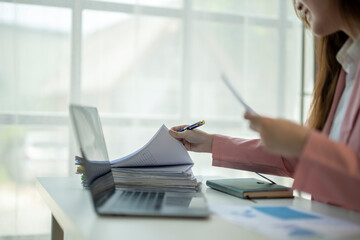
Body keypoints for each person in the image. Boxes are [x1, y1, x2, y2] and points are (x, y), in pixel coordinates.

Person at [169, 0, 360, 212]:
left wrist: (303, 142)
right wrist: (211, 143)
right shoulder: (344, 72)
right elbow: (304, 160)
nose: (296, 5)